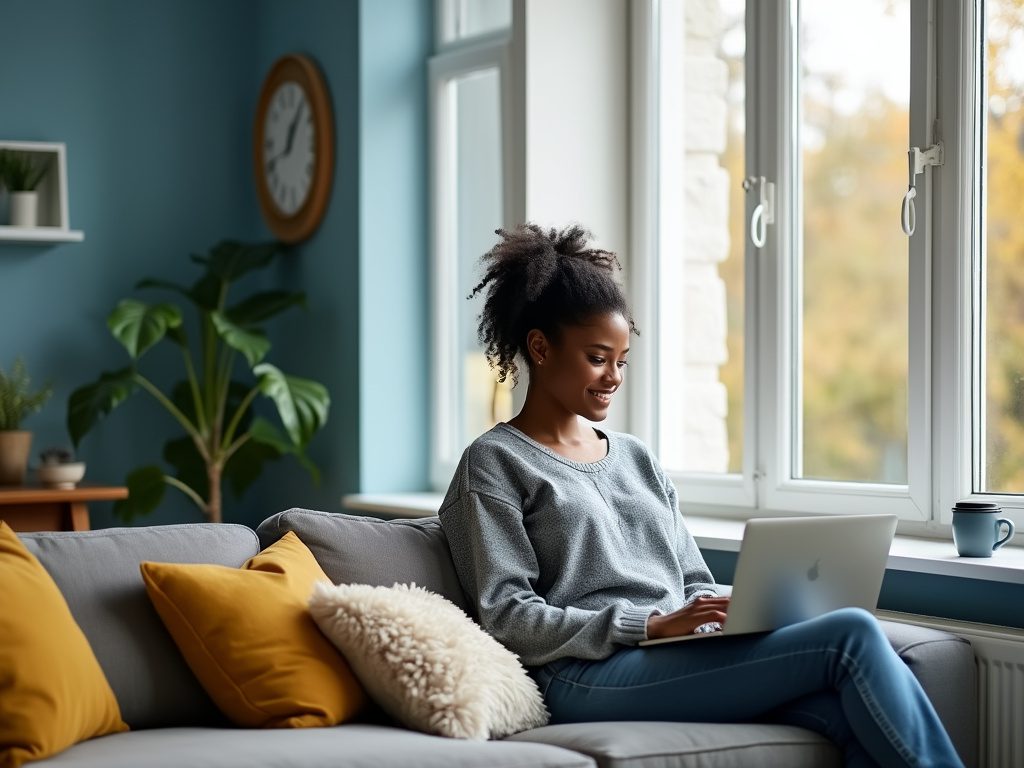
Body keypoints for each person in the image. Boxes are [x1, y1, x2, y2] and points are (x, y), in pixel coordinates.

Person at [437, 223, 964, 768]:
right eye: (598, 357)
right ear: (540, 348)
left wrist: (733, 610)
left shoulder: (635, 457)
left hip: (671, 653)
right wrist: (647, 625)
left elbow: (691, 579)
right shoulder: (495, 462)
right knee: (851, 633)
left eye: (621, 360)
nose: (614, 376)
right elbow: (508, 615)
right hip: (583, 674)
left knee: (843, 713)